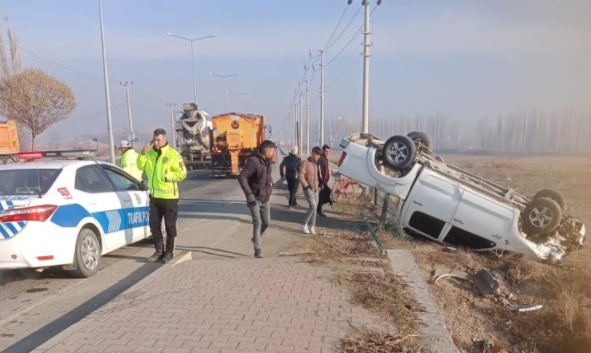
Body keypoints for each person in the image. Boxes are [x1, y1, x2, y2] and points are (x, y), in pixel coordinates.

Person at [137, 128, 187, 263]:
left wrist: (167, 176)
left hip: (169, 197)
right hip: (154, 196)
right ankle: (159, 251)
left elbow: (182, 173)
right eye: (154, 139)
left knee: (170, 226)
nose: (156, 142)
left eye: (158, 140)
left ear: (164, 139)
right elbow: (140, 166)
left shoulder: (173, 155)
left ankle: (169, 252)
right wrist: (142, 153)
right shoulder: (150, 154)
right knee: (154, 225)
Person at [238, 140, 276, 258]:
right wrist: (249, 195)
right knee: (257, 222)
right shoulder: (253, 161)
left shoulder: (267, 161)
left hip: (265, 197)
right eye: (273, 151)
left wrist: (271, 183)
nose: (273, 153)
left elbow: (267, 176)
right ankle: (257, 250)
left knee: (267, 222)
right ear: (267, 151)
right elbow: (242, 177)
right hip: (254, 198)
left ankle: (256, 238)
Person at [299, 146, 322, 234]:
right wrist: (306, 186)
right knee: (313, 206)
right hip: (308, 188)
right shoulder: (305, 162)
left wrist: (319, 185)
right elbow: (300, 175)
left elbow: (317, 177)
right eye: (315, 154)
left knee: (315, 208)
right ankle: (303, 224)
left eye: (318, 155)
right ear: (312, 153)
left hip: (316, 189)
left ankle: (312, 226)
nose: (317, 156)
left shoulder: (316, 164)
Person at [317, 144, 332, 217]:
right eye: (326, 151)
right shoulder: (321, 159)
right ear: (322, 150)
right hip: (322, 181)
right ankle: (319, 210)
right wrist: (321, 182)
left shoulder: (325, 158)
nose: (327, 153)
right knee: (323, 195)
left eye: (328, 151)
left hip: (324, 180)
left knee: (325, 193)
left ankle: (319, 208)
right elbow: (320, 171)